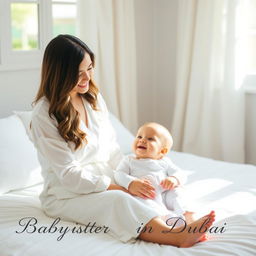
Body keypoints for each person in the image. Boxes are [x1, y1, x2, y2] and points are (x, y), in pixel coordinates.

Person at [30, 34, 215, 247]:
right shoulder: (43, 114)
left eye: (90, 68)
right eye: (78, 73)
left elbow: (111, 149)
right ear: (59, 74)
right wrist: (121, 188)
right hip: (65, 193)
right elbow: (69, 175)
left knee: (153, 184)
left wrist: (131, 177)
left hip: (105, 178)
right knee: (119, 201)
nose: (87, 78)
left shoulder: (92, 98)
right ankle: (175, 236)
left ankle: (184, 218)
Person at [114, 122, 192, 225]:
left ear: (162, 151)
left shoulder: (165, 162)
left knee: (177, 192)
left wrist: (174, 179)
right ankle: (166, 218)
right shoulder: (129, 160)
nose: (142, 140)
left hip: (164, 193)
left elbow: (180, 173)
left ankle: (187, 214)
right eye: (139, 136)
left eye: (150, 139)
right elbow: (119, 174)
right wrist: (131, 183)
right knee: (142, 203)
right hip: (145, 193)